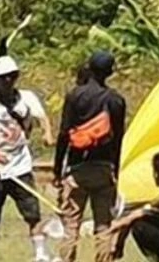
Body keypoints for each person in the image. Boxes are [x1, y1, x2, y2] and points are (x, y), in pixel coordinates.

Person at [0, 54, 52, 262]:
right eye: (4, 77)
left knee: (33, 213)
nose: (8, 81)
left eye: (12, 76)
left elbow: (42, 118)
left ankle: (40, 255)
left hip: (21, 166)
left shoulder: (27, 98)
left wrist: (46, 133)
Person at [55, 50, 130, 262]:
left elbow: (64, 134)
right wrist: (115, 170)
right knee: (103, 226)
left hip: (77, 169)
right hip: (103, 168)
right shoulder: (116, 100)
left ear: (89, 67)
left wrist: (57, 168)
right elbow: (118, 139)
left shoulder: (75, 95)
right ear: (110, 72)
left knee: (71, 226)